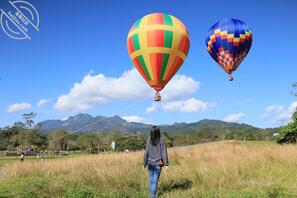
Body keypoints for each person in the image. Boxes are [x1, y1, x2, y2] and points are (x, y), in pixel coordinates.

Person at [143, 126, 169, 198]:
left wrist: (144, 163)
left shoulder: (149, 140)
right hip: (158, 163)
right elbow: (164, 153)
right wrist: (166, 164)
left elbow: (146, 152)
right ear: (158, 132)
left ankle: (151, 195)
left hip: (150, 163)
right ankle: (152, 196)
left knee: (150, 179)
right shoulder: (161, 140)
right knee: (155, 181)